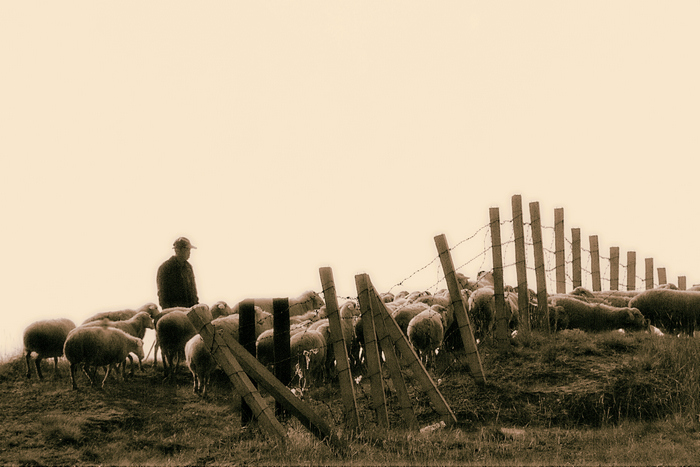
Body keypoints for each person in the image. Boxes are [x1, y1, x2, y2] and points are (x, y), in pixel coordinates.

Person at [156, 237, 199, 309]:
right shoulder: (165, 268)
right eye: (187, 249)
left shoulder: (188, 267)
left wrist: (196, 306)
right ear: (178, 250)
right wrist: (169, 311)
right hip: (173, 311)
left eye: (189, 250)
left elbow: (193, 291)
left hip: (189, 310)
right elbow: (162, 294)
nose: (189, 252)